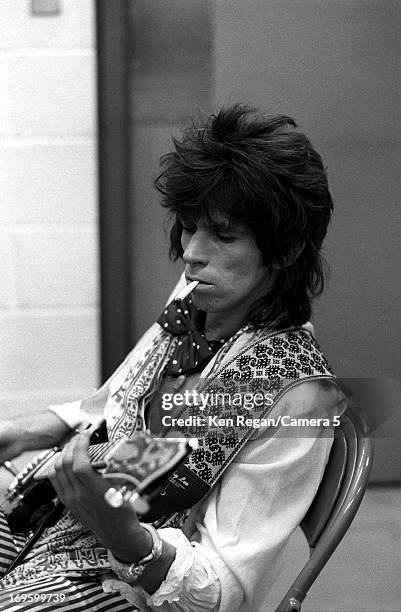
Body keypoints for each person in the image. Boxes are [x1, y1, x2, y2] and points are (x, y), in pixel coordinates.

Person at [0, 104, 347, 611]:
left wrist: (123, 534)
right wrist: (23, 431)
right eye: (189, 227)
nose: (191, 253)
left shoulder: (300, 396)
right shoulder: (197, 295)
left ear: (287, 249)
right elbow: (121, 408)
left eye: (224, 236)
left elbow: (222, 593)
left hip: (135, 580)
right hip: (66, 519)